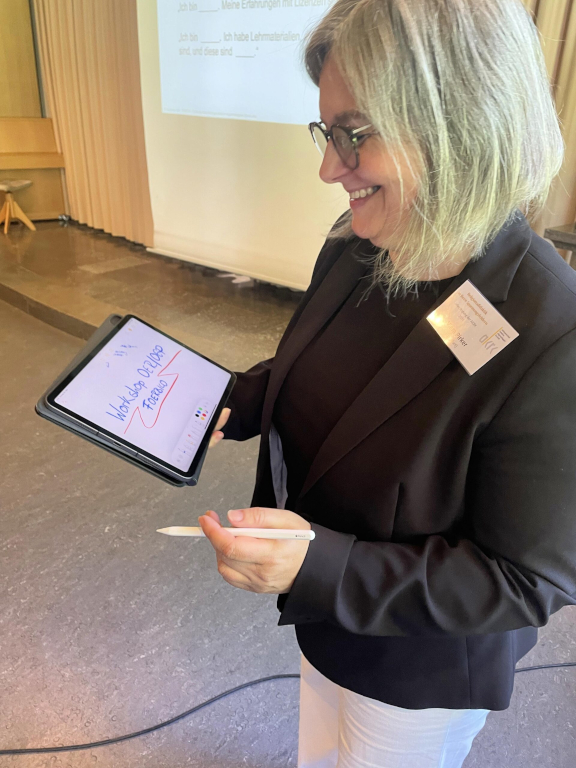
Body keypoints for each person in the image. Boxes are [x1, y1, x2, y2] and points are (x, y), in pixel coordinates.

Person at [199, 1, 576, 765]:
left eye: (355, 134)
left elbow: (521, 580)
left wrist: (320, 566)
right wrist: (231, 400)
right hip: (326, 620)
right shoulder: (359, 244)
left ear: (458, 123)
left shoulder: (551, 327)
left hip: (420, 667)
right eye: (327, 131)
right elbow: (332, 376)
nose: (329, 169)